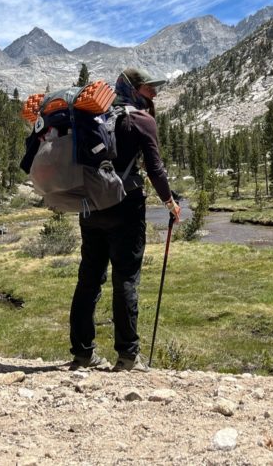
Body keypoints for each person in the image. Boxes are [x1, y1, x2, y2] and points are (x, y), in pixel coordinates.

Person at [69, 67, 181, 371]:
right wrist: (170, 202)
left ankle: (82, 354)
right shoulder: (141, 120)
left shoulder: (96, 118)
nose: (154, 94)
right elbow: (155, 169)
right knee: (126, 278)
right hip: (126, 206)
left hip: (90, 207)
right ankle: (128, 356)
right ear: (134, 88)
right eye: (148, 88)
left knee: (89, 278)